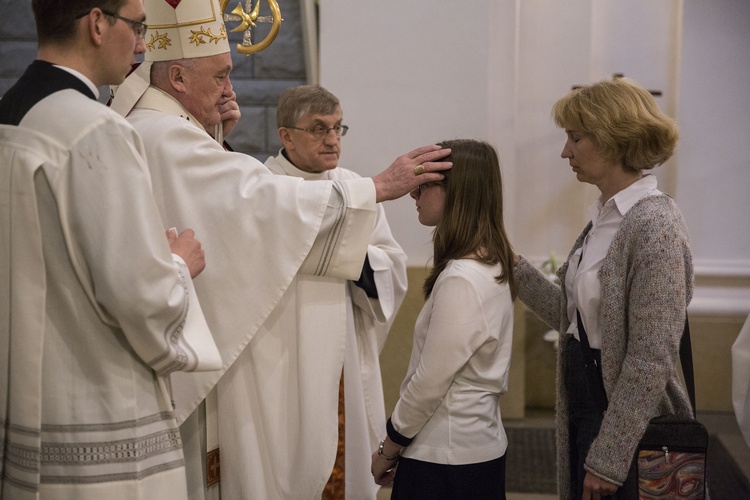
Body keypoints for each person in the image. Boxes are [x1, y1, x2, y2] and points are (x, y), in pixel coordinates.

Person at [109, 0, 451, 497]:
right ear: (179, 78)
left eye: (337, 127)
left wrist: (214, 136)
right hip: (269, 360)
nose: (231, 89)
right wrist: (377, 187)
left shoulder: (167, 129)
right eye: (222, 75)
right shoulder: (165, 133)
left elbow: (228, 203)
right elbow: (254, 202)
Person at [0, 0, 222, 498]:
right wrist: (177, 266)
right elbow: (137, 294)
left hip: (27, 403)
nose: (143, 43)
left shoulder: (12, 113)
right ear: (98, 24)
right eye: (137, 26)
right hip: (97, 414)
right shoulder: (97, 128)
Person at [513, 78, 693, 499]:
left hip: (626, 423)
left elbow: (651, 357)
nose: (565, 152)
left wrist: (611, 455)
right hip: (588, 405)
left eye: (575, 138)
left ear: (614, 139)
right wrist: (514, 266)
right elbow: (573, 316)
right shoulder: (605, 218)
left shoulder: (655, 226)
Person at [266, 84, 408, 499]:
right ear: (286, 135)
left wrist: (351, 256)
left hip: (343, 346)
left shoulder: (357, 188)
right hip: (283, 350)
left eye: (337, 128)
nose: (332, 139)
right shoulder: (263, 185)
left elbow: (392, 264)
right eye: (317, 129)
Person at [371, 139, 516, 499]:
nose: (412, 194)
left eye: (423, 184)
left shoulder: (463, 278)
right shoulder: (490, 262)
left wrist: (388, 446)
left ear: (457, 191)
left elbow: (429, 383)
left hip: (447, 456)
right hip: (469, 447)